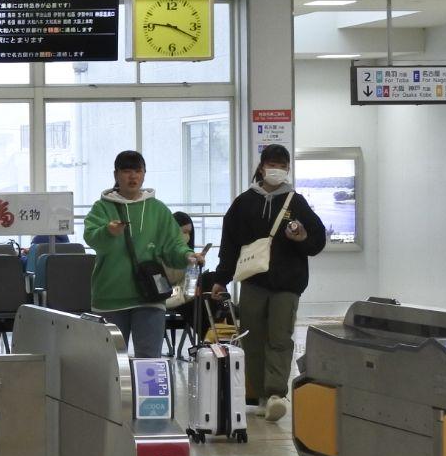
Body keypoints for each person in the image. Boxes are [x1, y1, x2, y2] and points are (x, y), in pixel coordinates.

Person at [209, 143, 328, 422]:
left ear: (288, 168)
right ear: (261, 167)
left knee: (280, 337)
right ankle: (259, 394)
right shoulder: (244, 202)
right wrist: (220, 279)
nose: (277, 170)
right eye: (272, 164)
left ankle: (276, 393)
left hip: (288, 284)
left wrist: (301, 238)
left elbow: (316, 241)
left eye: (283, 165)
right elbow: (230, 244)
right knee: (252, 338)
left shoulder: (296, 202)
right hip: (252, 281)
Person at [83, 150, 196, 358]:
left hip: (149, 296)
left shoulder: (157, 209)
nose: (132, 176)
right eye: (126, 171)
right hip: (111, 297)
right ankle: (114, 393)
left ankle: (147, 393)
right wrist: (108, 232)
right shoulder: (102, 208)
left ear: (144, 174)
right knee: (109, 360)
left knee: (150, 359)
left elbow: (173, 244)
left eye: (137, 170)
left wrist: (187, 256)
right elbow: (91, 237)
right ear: (116, 175)